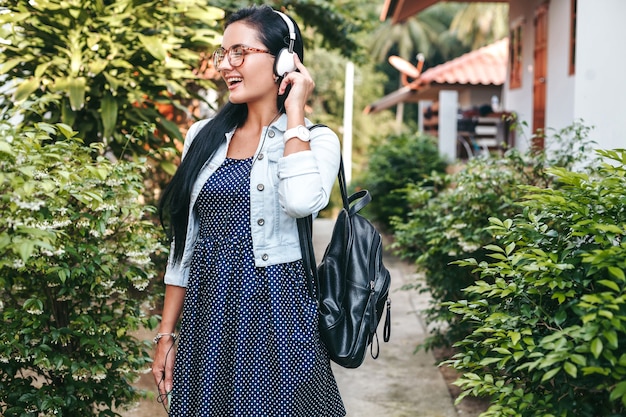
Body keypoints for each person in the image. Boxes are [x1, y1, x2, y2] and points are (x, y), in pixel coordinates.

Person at [151, 5, 345, 416]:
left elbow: (299, 201)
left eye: (240, 52)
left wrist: (295, 111)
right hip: (210, 312)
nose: (226, 65)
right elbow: (183, 244)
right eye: (223, 54)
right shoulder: (202, 136)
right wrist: (166, 335)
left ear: (284, 61)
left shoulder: (317, 141)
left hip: (279, 311)